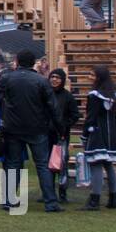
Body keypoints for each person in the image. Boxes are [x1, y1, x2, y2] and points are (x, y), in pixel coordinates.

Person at [0, 49, 63, 212]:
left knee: (13, 164)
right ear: (33, 63)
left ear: (17, 61)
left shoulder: (8, 78)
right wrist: (60, 128)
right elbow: (53, 107)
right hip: (37, 128)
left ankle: (9, 200)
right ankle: (50, 202)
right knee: (42, 165)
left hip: (13, 128)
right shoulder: (41, 81)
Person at [81, 65, 116, 210]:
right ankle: (113, 199)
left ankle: (95, 200)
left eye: (92, 75)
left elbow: (90, 117)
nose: (89, 77)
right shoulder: (113, 94)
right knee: (109, 165)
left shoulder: (95, 95)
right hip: (111, 133)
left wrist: (84, 134)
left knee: (96, 164)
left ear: (98, 77)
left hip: (97, 132)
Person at [48, 68, 80, 203]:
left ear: (62, 80)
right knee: (46, 164)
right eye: (52, 77)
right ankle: (48, 192)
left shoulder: (68, 96)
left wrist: (64, 125)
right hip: (45, 135)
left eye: (58, 78)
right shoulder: (45, 94)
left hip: (61, 136)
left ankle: (62, 193)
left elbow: (75, 115)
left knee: (61, 164)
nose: (54, 80)